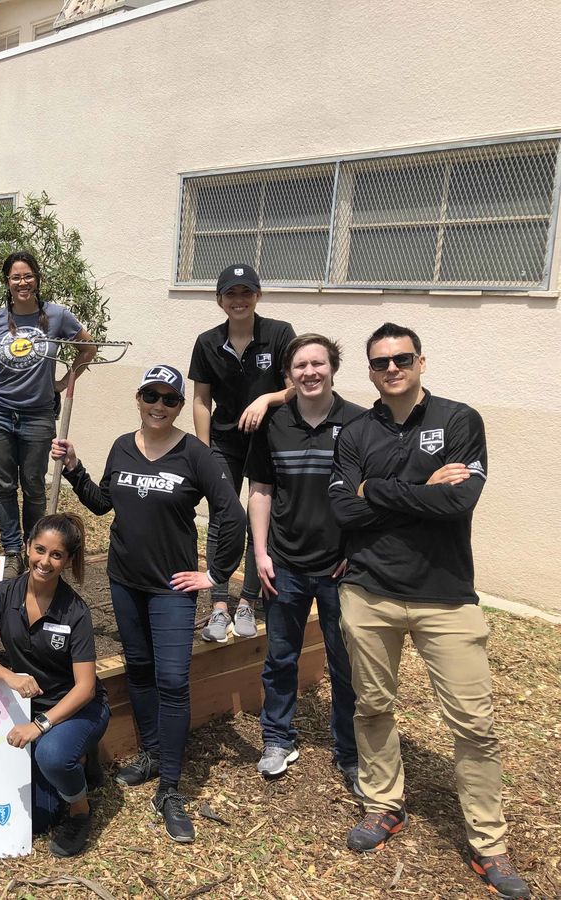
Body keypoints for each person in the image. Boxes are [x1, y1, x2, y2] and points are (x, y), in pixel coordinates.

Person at [328, 323, 530, 899]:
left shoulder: (459, 420)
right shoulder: (356, 430)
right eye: (379, 361)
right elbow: (343, 510)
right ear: (368, 370)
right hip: (369, 593)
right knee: (373, 707)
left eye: (401, 358)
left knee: (475, 724)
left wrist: (377, 489)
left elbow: (459, 500)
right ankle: (382, 803)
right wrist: (420, 485)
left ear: (420, 361)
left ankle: (489, 844)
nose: (391, 368)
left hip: (446, 597)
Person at [51, 364, 245, 844]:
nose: (159, 406)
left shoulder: (195, 454)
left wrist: (216, 574)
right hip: (124, 580)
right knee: (138, 668)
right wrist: (75, 468)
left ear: (180, 405)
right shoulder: (121, 446)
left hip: (171, 588)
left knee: (173, 680)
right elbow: (101, 505)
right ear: (139, 399)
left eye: (170, 399)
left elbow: (231, 513)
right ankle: (153, 754)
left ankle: (172, 788)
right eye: (151, 396)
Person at [244, 334, 363, 789]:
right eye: (300, 366)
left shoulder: (358, 422)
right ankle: (277, 738)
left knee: (345, 663)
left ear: (333, 368)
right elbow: (261, 491)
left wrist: (354, 550)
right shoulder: (275, 423)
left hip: (340, 569)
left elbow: (367, 496)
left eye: (318, 364)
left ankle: (350, 752)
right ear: (288, 375)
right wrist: (260, 553)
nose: (309, 372)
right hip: (285, 564)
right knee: (279, 657)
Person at [0, 513, 109, 858]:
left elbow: (85, 688)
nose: (45, 561)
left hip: (77, 709)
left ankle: (81, 811)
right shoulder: (4, 594)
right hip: (27, 707)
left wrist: (40, 726)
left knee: (52, 755)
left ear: (68, 560)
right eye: (40, 549)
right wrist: (10, 676)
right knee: (39, 820)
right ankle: (80, 764)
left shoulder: (75, 611)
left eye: (56, 555)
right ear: (28, 546)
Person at [0, 251, 96, 578]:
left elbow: (89, 348)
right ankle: (13, 552)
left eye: (28, 276)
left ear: (37, 278)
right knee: (5, 486)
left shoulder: (57, 316)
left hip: (38, 416)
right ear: (7, 283)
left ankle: (34, 547)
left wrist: (65, 380)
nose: (22, 283)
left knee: (35, 486)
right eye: (15, 277)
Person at [188, 263, 294, 642]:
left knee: (258, 519)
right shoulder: (207, 342)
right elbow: (201, 400)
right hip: (225, 441)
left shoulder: (279, 334)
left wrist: (266, 397)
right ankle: (219, 603)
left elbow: (294, 387)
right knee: (224, 517)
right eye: (231, 294)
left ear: (258, 296)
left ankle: (248, 599)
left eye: (246, 292)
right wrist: (202, 452)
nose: (239, 300)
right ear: (220, 300)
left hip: (269, 439)